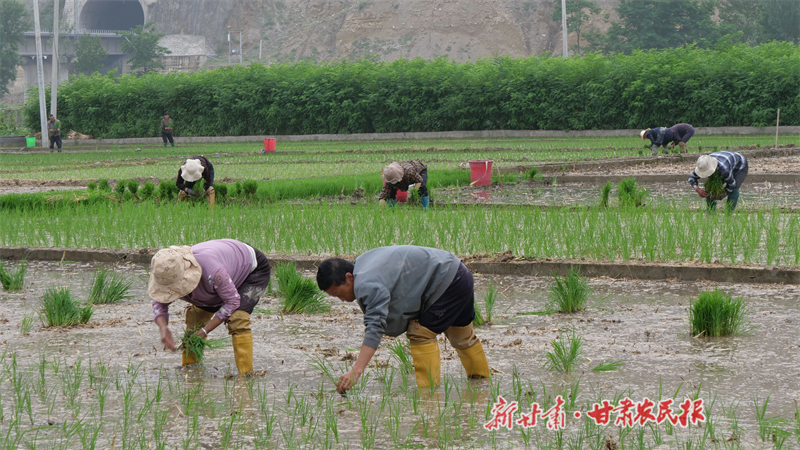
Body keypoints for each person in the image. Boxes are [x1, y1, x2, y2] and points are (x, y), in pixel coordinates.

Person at [316, 245, 490, 393]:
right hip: (459, 272)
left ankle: (428, 395)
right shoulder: (362, 263)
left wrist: (356, 370)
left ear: (348, 277)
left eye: (338, 293)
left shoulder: (366, 284)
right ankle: (482, 385)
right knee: (462, 336)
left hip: (447, 283)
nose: (342, 300)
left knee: (420, 334)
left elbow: (375, 327)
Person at [147, 239, 271, 374]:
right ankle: (191, 369)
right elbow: (159, 302)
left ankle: (246, 375)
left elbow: (232, 302)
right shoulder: (165, 274)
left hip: (251, 270)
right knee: (195, 318)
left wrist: (204, 331)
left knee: (238, 318)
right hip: (220, 279)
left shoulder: (213, 273)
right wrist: (163, 328)